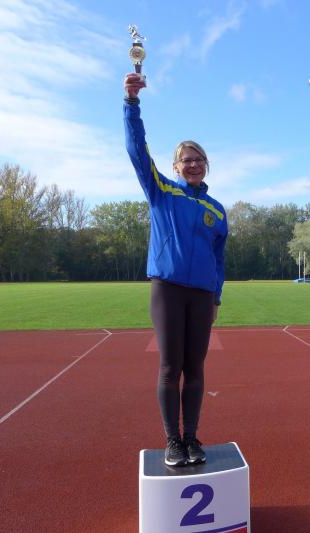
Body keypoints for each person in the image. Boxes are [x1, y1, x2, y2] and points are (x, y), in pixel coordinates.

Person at [123, 73, 229, 466]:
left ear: (207, 165)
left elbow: (219, 260)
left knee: (195, 368)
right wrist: (131, 104)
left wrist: (216, 298)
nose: (194, 164)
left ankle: (192, 438)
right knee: (170, 367)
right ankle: (172, 441)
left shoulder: (217, 210)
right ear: (175, 165)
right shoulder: (162, 191)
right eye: (187, 159)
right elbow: (137, 150)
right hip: (167, 290)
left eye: (199, 159)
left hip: (201, 296)